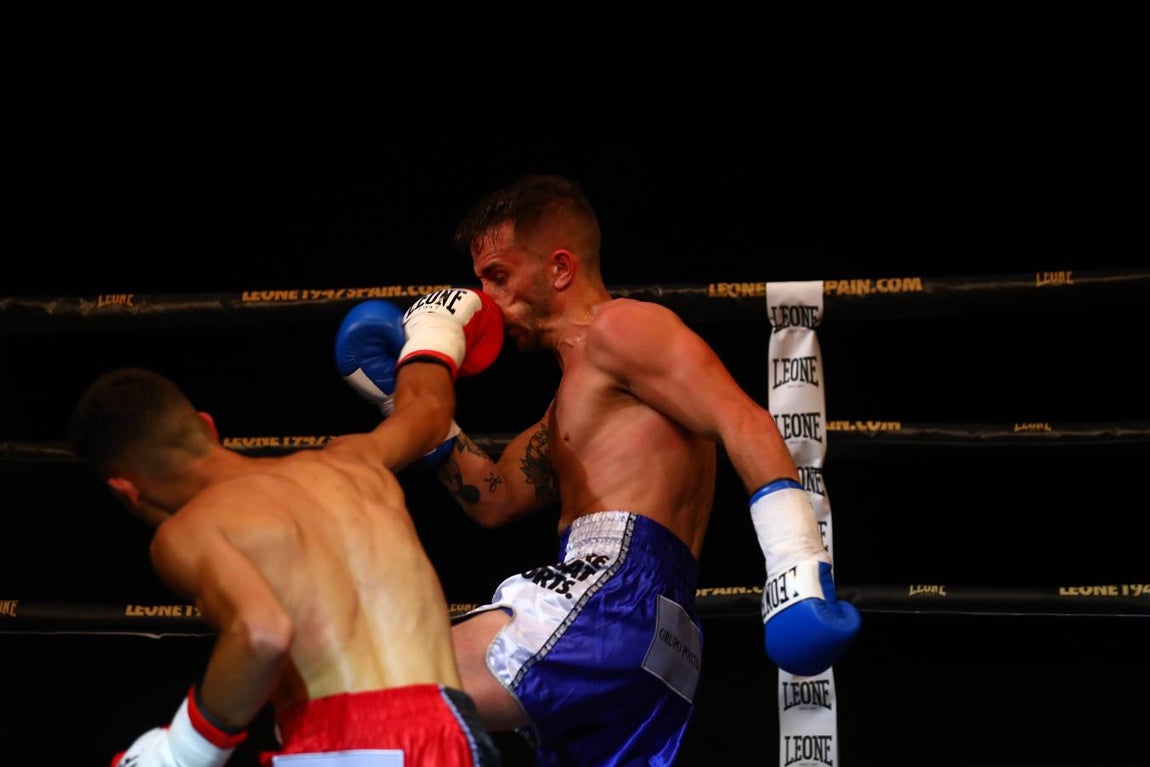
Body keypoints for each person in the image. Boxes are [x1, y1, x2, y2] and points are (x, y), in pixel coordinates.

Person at [344, 175, 861, 765]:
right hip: (661, 639)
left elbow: (740, 418)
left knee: (374, 686)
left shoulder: (622, 328)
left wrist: (795, 563)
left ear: (559, 268)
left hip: (612, 592)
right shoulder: (572, 400)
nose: (484, 300)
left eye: (498, 277)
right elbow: (495, 497)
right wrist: (399, 397)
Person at [69, 292, 505, 767]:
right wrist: (433, 330)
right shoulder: (355, 462)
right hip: (454, 732)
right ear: (207, 428)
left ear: (125, 491)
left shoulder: (189, 531)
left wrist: (178, 753)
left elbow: (261, 634)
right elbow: (427, 411)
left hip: (346, 744)